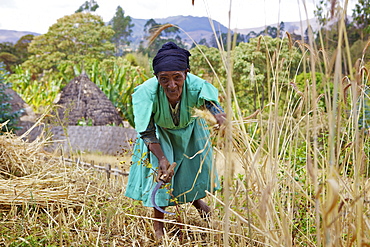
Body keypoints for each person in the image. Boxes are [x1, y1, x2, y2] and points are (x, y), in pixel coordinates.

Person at [125, 41, 226, 240]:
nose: (171, 85)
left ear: (186, 73)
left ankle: (199, 204)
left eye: (177, 78)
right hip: (158, 135)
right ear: (156, 78)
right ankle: (158, 228)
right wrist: (162, 158)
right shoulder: (146, 92)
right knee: (162, 175)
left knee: (191, 170)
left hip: (190, 131)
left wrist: (220, 117)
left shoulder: (197, 85)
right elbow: (146, 130)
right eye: (164, 80)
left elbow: (210, 103)